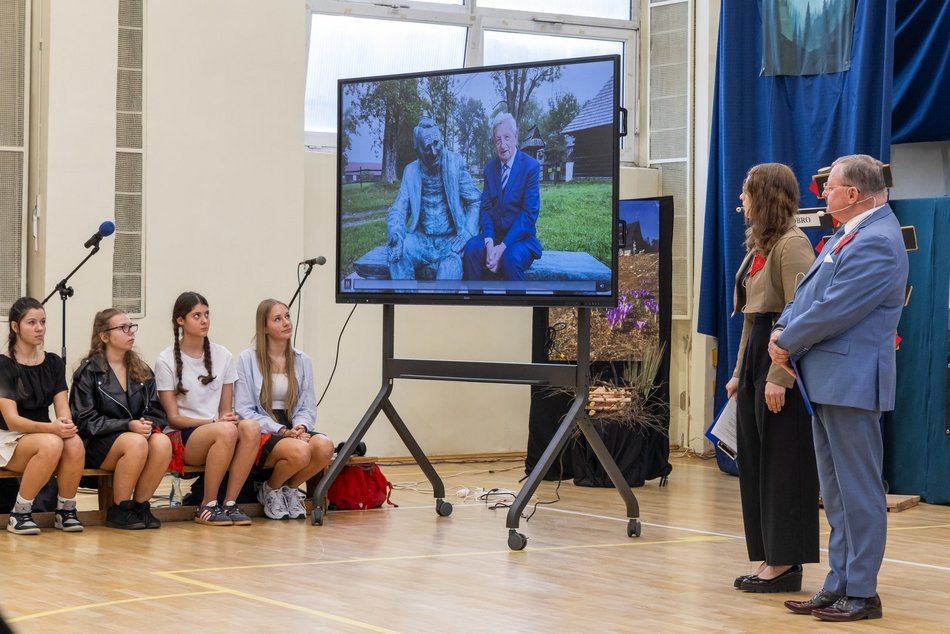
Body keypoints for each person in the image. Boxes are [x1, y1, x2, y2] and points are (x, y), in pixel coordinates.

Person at [770, 154, 908, 622]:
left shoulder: (879, 241)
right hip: (828, 380)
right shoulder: (850, 235)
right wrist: (781, 329)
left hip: (851, 381)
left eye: (829, 187)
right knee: (835, 491)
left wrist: (786, 341)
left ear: (853, 194)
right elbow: (808, 293)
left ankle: (863, 593)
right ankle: (838, 583)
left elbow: (837, 308)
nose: (823, 193)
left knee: (859, 492)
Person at [724, 164, 818, 593]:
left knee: (782, 462)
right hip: (757, 354)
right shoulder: (762, 244)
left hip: (781, 357)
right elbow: (751, 316)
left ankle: (786, 562)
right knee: (757, 462)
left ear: (765, 196)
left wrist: (780, 374)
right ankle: (768, 554)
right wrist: (740, 372)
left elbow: (799, 314)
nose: (740, 201)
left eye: (746, 194)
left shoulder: (794, 245)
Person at [155, 292, 260, 526]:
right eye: (197, 316)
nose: (204, 320)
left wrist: (225, 418)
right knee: (226, 431)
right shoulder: (165, 359)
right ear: (180, 321)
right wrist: (215, 424)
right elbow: (173, 417)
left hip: (217, 430)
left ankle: (230, 503)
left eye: (207, 314)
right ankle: (207, 504)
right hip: (182, 436)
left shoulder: (223, 355)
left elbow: (225, 409)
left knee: (251, 427)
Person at [70, 309, 172, 529]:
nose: (130, 332)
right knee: (134, 442)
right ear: (104, 336)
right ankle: (120, 508)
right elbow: (84, 421)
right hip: (98, 443)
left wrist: (146, 424)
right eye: (122, 328)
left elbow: (156, 410)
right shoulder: (88, 372)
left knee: (163, 442)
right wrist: (127, 425)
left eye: (131, 327)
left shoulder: (142, 370)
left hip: (134, 438)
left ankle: (140, 506)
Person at [234, 299, 334, 520]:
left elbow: (307, 405)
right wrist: (280, 429)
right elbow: (244, 409)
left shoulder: (302, 359)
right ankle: (270, 489)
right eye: (277, 319)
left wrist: (300, 425)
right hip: (264, 427)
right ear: (264, 327)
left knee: (325, 447)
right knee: (300, 451)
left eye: (287, 316)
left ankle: (289, 489)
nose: (286, 322)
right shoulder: (247, 359)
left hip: (293, 424)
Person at [0, 297, 85, 534]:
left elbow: (62, 407)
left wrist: (65, 425)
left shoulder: (53, 363)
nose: (40, 328)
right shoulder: (4, 365)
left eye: (43, 322)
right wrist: (53, 429)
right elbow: (12, 420)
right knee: (51, 443)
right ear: (15, 327)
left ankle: (65, 510)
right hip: (8, 437)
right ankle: (20, 513)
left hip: (45, 434)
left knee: (75, 443)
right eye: (32, 322)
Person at [386, 117, 481, 280]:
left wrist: (467, 233)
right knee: (397, 254)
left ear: (441, 139)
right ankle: (406, 304)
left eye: (436, 143)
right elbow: (399, 210)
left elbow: (475, 201)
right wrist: (396, 234)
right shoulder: (410, 172)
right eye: (427, 148)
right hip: (421, 242)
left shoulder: (455, 163)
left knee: (448, 272)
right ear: (418, 150)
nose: (434, 152)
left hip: (451, 242)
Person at [463, 112, 542, 281]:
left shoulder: (530, 167)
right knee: (471, 249)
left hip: (520, 240)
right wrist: (490, 244)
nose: (502, 144)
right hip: (495, 236)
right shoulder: (490, 169)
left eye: (507, 137)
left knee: (509, 259)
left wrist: (502, 248)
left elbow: (529, 214)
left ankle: (518, 307)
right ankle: (475, 304)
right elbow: (485, 209)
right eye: (497, 140)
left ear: (516, 137)